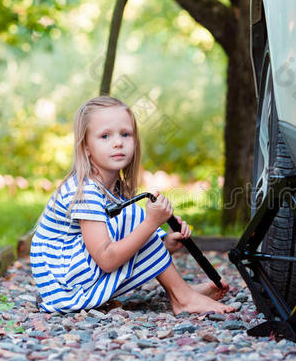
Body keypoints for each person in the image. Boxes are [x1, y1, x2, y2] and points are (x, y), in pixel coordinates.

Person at [30, 96, 233, 314]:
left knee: (136, 220)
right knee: (135, 217)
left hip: (75, 278)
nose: (118, 142)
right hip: (65, 287)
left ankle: (182, 292)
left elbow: (119, 245)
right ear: (86, 147)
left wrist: (163, 243)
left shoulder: (113, 189)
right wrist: (150, 224)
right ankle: (182, 297)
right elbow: (107, 260)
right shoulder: (85, 191)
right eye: (105, 136)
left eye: (125, 134)